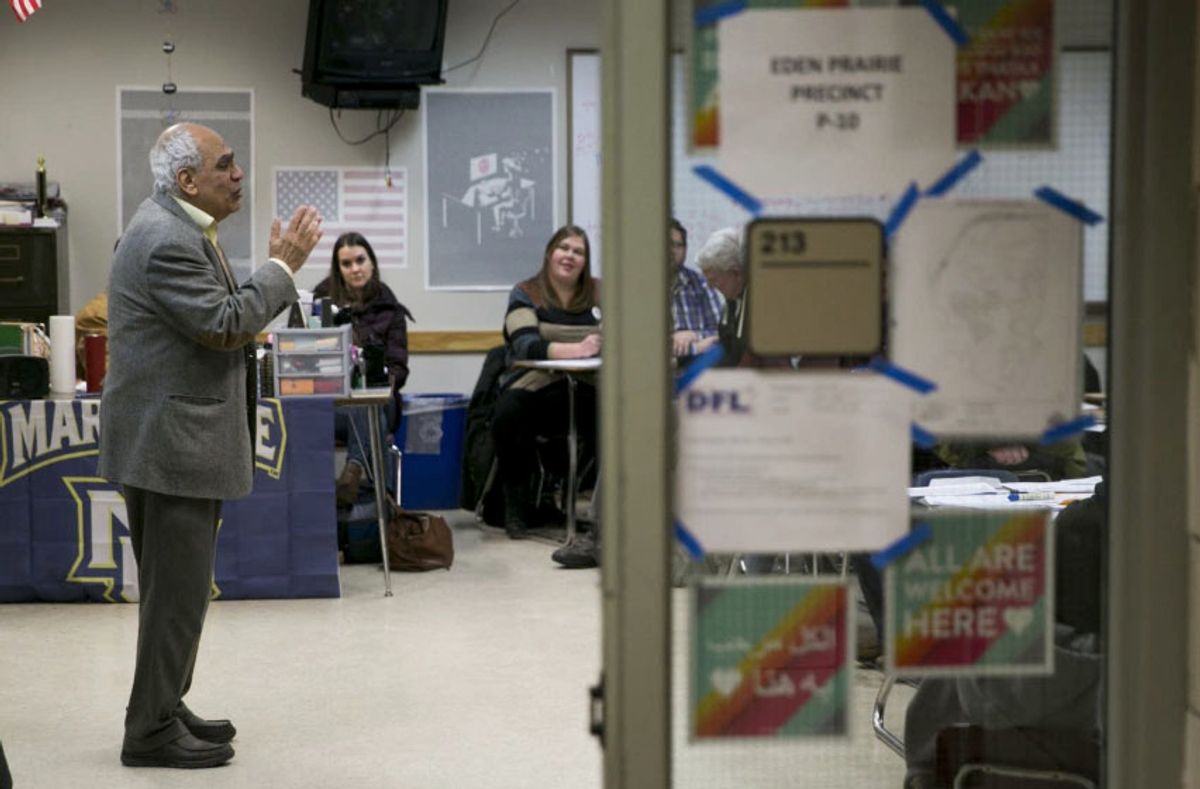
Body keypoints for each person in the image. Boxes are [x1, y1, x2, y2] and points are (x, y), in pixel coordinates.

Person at [98, 122, 322, 769]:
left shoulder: (179, 226)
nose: (238, 173)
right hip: (170, 446)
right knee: (176, 597)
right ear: (188, 180)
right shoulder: (167, 238)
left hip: (173, 439)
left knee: (181, 593)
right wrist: (282, 268)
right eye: (225, 164)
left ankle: (164, 705)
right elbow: (224, 325)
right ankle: (149, 731)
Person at [492, 225, 601, 559]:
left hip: (590, 384)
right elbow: (525, 344)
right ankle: (517, 505)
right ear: (549, 253)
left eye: (578, 251)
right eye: (563, 248)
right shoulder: (526, 292)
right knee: (509, 412)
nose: (570, 256)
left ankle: (599, 512)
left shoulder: (601, 292)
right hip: (539, 383)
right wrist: (577, 349)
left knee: (621, 415)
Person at [313, 232, 413, 505]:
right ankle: (385, 505)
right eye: (346, 264)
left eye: (360, 260)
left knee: (368, 406)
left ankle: (353, 474)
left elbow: (399, 368)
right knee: (370, 417)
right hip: (334, 405)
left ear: (372, 263)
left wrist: (374, 380)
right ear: (338, 269)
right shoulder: (320, 305)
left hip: (382, 399)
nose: (355, 269)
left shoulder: (390, 308)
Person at [668, 218, 724, 359]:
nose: (672, 251)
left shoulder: (701, 283)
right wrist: (694, 347)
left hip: (697, 364)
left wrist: (694, 335)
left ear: (686, 250)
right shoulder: (638, 286)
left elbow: (721, 333)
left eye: (678, 245)